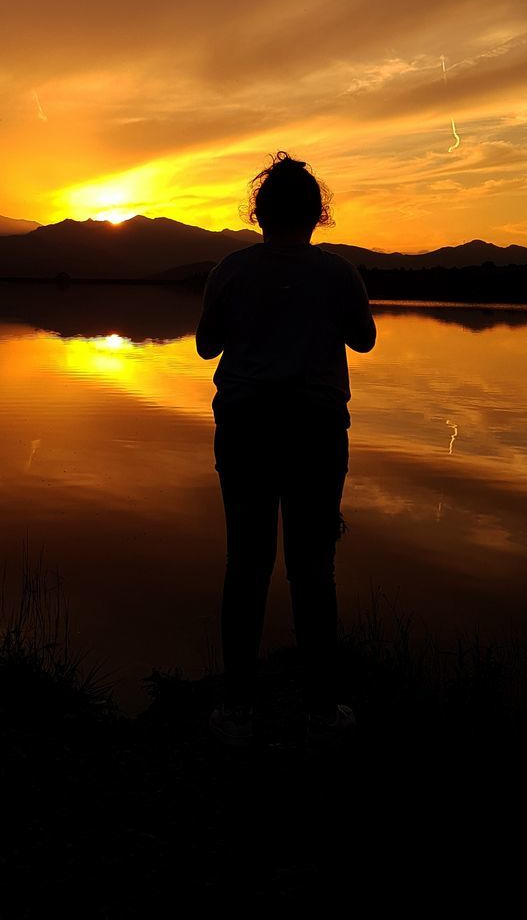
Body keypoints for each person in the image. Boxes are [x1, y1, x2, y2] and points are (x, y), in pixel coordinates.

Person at [196, 152, 377, 748]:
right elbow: (365, 340)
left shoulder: (231, 269)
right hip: (315, 432)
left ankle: (238, 711)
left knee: (245, 566)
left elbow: (204, 346)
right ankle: (322, 713)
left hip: (246, 427)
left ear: (260, 211)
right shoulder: (340, 274)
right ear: (316, 214)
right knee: (312, 570)